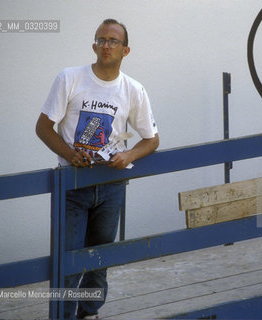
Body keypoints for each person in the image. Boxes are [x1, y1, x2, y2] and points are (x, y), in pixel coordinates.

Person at [36, 18, 159, 319]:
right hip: (73, 184)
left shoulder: (133, 89)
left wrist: (128, 153)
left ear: (125, 50)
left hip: (111, 185)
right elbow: (43, 128)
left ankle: (89, 312)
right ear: (93, 45)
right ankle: (62, 316)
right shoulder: (70, 78)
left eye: (113, 41)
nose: (106, 45)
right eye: (101, 40)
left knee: (99, 258)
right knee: (68, 261)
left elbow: (152, 139)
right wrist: (70, 154)